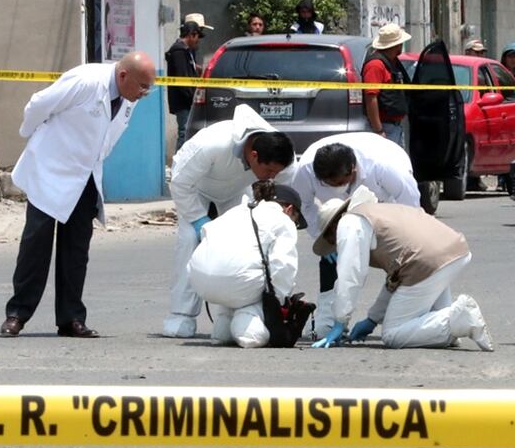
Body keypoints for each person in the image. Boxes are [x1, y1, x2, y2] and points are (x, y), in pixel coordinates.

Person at [0, 52, 157, 338]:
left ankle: (71, 318)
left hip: (85, 176)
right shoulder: (85, 81)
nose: (146, 93)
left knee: (76, 250)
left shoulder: (127, 98)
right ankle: (17, 314)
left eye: (150, 87)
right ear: (123, 76)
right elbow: (38, 104)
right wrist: (34, 136)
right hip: (50, 170)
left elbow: (108, 136)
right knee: (36, 245)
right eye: (143, 86)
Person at [162, 105, 295, 338]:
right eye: (269, 170)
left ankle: (234, 314)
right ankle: (180, 316)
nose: (272, 176)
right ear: (253, 155)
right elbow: (181, 183)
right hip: (197, 189)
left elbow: (284, 188)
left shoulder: (279, 156)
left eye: (276, 172)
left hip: (236, 191)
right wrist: (198, 220)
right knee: (189, 241)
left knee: (243, 247)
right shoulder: (212, 143)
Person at [310, 187, 493, 351]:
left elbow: (351, 275)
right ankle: (449, 327)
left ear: (333, 227)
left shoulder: (349, 223)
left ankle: (459, 319)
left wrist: (340, 321)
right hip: (451, 252)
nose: (335, 245)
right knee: (432, 317)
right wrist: (372, 319)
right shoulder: (377, 212)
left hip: (425, 262)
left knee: (394, 334)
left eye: (332, 240)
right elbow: (396, 279)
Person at [291, 133, 421, 336]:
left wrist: (407, 238)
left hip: (385, 202)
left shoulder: (384, 165)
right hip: (336, 210)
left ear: (353, 170)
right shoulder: (306, 170)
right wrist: (325, 239)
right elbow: (304, 206)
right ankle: (326, 319)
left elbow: (410, 201)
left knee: (399, 259)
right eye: (327, 184)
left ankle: (407, 313)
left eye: (339, 182)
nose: (335, 188)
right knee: (330, 256)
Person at [188, 180, 305, 348]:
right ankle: (247, 324)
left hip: (199, 279)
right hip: (235, 282)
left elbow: (206, 234)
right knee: (260, 285)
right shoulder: (283, 220)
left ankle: (223, 327)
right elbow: (282, 265)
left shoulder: (236, 210)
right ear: (290, 209)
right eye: (296, 220)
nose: (294, 224)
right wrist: (277, 302)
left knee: (238, 271)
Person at [165, 13, 212, 150]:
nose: (198, 41)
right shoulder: (179, 51)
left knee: (189, 133)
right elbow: (182, 79)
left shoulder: (186, 51)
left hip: (186, 100)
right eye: (197, 36)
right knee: (184, 132)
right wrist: (192, 97)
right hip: (183, 101)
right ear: (191, 34)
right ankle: (179, 165)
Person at [361, 23, 411, 147]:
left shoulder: (392, 62)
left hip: (395, 126)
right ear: (395, 45)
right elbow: (371, 98)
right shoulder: (375, 65)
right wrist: (378, 130)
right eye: (400, 43)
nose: (402, 45)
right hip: (384, 127)